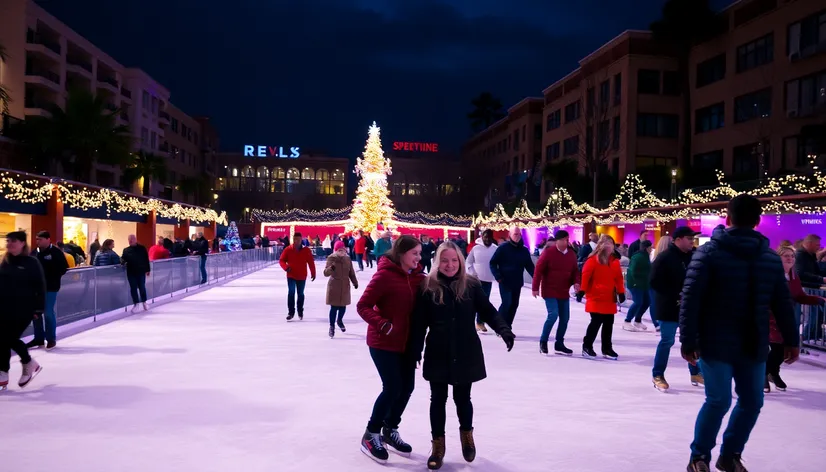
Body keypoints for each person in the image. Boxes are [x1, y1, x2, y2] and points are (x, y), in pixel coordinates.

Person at [680, 194, 799, 472]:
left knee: (730, 400)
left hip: (737, 341)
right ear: (758, 221)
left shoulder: (764, 257)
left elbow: (690, 298)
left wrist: (688, 338)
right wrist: (792, 339)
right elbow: (783, 304)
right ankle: (706, 456)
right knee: (744, 401)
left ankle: (721, 455)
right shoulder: (713, 253)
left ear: (728, 218)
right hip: (731, 340)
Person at [408, 241, 514, 470]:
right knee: (437, 399)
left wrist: (503, 329)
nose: (449, 265)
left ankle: (467, 436)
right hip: (438, 350)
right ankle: (438, 446)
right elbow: (419, 322)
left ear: (460, 261)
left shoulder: (471, 285)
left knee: (463, 398)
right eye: (444, 260)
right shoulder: (428, 286)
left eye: (454, 260)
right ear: (437, 261)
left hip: (466, 350)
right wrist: (416, 349)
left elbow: (488, 311)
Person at [356, 235, 425, 464]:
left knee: (407, 388)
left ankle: (389, 428)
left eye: (419, 253)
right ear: (401, 253)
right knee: (393, 386)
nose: (418, 257)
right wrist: (382, 324)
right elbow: (362, 305)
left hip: (406, 343)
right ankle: (371, 433)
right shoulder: (384, 276)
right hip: (382, 341)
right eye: (414, 253)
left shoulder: (418, 278)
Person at [649, 227, 702, 393]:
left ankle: (696, 373)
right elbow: (654, 282)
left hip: (689, 308)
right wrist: (675, 294)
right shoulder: (665, 257)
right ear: (678, 239)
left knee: (691, 340)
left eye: (693, 238)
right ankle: (658, 374)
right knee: (667, 341)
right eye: (689, 238)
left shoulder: (693, 256)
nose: (692, 241)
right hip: (668, 307)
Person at [766, 246, 824, 393]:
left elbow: (799, 296)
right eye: (786, 256)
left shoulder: (793, 277)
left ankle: (773, 372)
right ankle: (764, 374)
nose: (790, 258)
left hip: (786, 317)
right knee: (777, 348)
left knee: (782, 349)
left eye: (792, 256)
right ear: (778, 258)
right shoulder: (771, 275)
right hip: (770, 316)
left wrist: (818, 299)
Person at [0, 231, 45, 390]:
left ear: (22, 243)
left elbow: (40, 286)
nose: (10, 243)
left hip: (24, 309)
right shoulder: (5, 261)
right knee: (3, 339)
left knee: (8, 338)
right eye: (8, 240)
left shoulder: (31, 262)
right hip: (5, 308)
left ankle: (28, 362)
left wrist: (39, 308)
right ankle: (3, 372)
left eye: (13, 241)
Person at [532, 230, 579, 355]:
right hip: (550, 290)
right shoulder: (548, 253)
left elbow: (575, 270)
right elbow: (538, 270)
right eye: (563, 240)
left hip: (563, 291)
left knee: (565, 318)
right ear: (557, 241)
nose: (566, 242)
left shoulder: (571, 254)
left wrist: (576, 282)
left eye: (567, 239)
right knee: (553, 315)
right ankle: (543, 341)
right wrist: (535, 287)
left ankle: (559, 343)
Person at [580, 234, 625, 360]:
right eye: (606, 243)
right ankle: (587, 346)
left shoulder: (615, 261)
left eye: (611, 243)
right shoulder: (593, 260)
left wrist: (621, 292)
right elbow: (586, 275)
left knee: (608, 323)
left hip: (609, 297)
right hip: (596, 296)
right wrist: (582, 290)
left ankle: (607, 348)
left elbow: (618, 278)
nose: (609, 246)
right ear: (600, 245)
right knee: (596, 322)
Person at [28, 230, 69, 351]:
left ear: (48, 239)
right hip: (36, 288)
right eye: (36, 239)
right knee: (36, 313)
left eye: (40, 239)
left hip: (51, 287)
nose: (37, 242)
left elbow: (63, 268)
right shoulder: (34, 252)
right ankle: (38, 338)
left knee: (48, 312)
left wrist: (51, 277)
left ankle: (51, 338)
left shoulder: (56, 252)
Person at [489, 227, 535, 328]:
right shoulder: (503, 248)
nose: (518, 236)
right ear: (510, 235)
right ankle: (500, 326)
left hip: (517, 282)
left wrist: (536, 278)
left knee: (514, 305)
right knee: (507, 303)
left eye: (519, 234)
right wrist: (498, 276)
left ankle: (508, 326)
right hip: (504, 281)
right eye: (515, 234)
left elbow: (529, 266)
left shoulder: (524, 250)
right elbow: (493, 263)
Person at [323, 240, 358, 338]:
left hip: (345, 285)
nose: (342, 252)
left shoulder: (347, 259)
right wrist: (331, 268)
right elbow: (325, 273)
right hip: (334, 286)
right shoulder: (331, 258)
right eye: (339, 250)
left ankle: (339, 320)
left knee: (343, 306)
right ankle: (332, 326)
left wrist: (355, 282)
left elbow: (351, 272)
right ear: (336, 250)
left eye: (343, 250)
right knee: (334, 307)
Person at [465, 229, 498, 332]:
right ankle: (469, 322)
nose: (487, 239)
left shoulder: (495, 249)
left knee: (484, 302)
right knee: (474, 301)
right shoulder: (476, 248)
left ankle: (480, 322)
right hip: (476, 280)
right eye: (485, 237)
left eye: (489, 237)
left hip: (488, 280)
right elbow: (469, 262)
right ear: (482, 237)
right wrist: (473, 273)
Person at [279, 233, 316, 321]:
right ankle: (291, 312)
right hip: (291, 275)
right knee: (291, 292)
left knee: (300, 294)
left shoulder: (306, 250)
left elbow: (311, 262)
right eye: (295, 239)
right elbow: (281, 260)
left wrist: (313, 273)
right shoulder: (288, 249)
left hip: (302, 275)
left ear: (301, 240)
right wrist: (286, 267)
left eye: (298, 240)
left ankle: (300, 311)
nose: (296, 241)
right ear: (293, 239)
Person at [623, 240, 653, 332]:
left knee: (647, 301)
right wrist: (635, 282)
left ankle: (637, 320)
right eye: (650, 247)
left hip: (644, 284)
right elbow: (632, 270)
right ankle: (627, 321)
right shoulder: (638, 257)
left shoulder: (646, 256)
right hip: (635, 284)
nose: (651, 249)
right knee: (638, 302)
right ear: (646, 248)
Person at [121, 234, 151, 313]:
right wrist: (122, 261)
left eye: (132, 240)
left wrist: (148, 270)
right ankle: (136, 303)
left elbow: (146, 259)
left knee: (142, 287)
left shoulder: (142, 248)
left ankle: (144, 302)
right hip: (131, 272)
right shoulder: (126, 250)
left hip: (140, 271)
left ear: (135, 240)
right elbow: (123, 258)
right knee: (133, 288)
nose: (130, 241)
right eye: (129, 240)